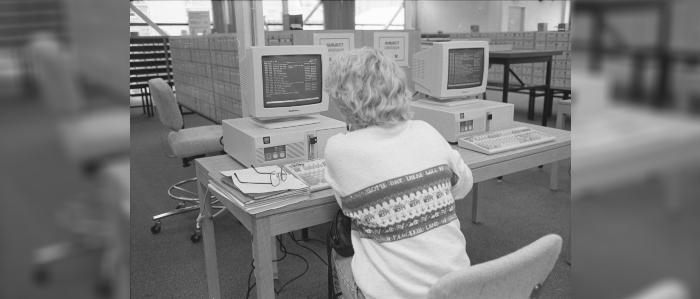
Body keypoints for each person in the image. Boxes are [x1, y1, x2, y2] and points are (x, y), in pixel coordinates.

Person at [323, 47, 474, 299]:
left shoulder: (339, 149)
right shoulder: (427, 131)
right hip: (456, 290)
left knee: (339, 241)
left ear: (344, 99)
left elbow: (346, 206)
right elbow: (463, 186)